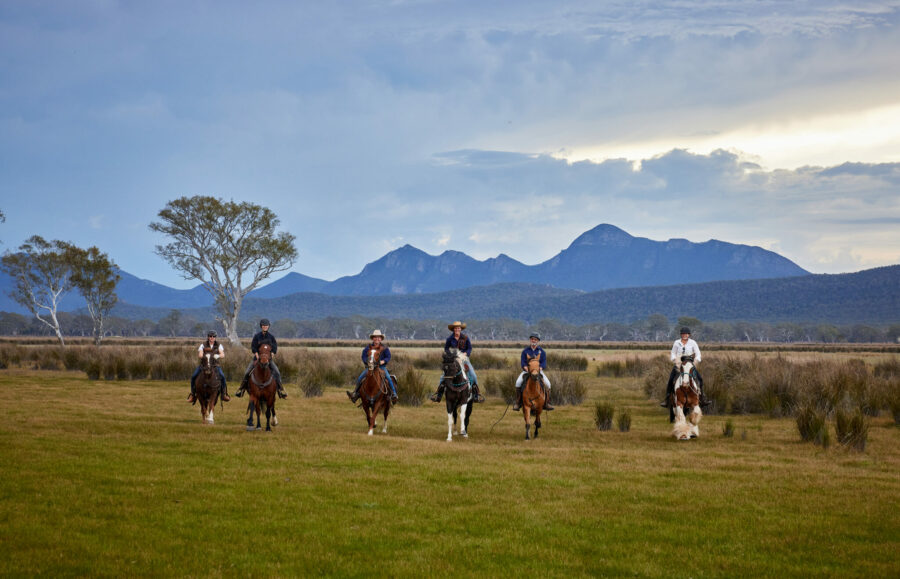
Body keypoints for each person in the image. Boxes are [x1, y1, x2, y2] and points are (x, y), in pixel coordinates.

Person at [429, 321, 484, 403]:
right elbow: (446, 349)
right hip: (453, 360)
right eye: (455, 328)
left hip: (464, 359)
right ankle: (438, 395)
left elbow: (469, 348)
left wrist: (466, 353)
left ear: (461, 329)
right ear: (453, 330)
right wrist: (450, 355)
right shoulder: (449, 339)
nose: (457, 329)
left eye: (458, 328)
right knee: (442, 377)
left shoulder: (465, 338)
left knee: (473, 375)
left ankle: (476, 396)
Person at [234, 318, 288, 399]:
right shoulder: (257, 336)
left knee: (277, 372)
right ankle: (241, 389)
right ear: (261, 326)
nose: (265, 327)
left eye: (266, 326)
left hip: (268, 360)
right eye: (263, 326)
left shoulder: (271, 337)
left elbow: (275, 347)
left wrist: (273, 353)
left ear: (268, 326)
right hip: (257, 359)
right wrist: (256, 354)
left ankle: (280, 390)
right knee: (247, 372)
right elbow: (253, 347)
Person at [659, 326, 709, 409]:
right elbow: (673, 353)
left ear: (689, 335)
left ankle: (702, 398)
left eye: (686, 334)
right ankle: (667, 399)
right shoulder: (676, 342)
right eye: (683, 334)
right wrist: (675, 360)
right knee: (671, 379)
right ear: (681, 335)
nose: (684, 335)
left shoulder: (693, 343)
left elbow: (698, 353)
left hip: (689, 364)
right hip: (679, 364)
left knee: (700, 379)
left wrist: (696, 361)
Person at [346, 330, 398, 404]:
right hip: (370, 367)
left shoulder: (384, 348)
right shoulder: (368, 348)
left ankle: (394, 394)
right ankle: (355, 394)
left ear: (381, 339)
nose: (377, 339)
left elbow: (388, 356)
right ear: (373, 338)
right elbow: (363, 356)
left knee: (389, 378)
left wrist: (383, 361)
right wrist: (366, 361)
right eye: (375, 337)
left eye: (378, 337)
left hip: (381, 367)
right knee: (360, 378)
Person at [513, 333, 554, 411]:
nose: (533, 340)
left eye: (535, 339)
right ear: (530, 340)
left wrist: (538, 369)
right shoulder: (525, 351)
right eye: (532, 339)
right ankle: (518, 402)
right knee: (518, 383)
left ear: (538, 341)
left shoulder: (542, 352)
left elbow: (543, 363)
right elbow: (523, 363)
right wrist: (527, 369)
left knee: (548, 384)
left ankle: (547, 403)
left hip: (538, 372)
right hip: (526, 371)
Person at [187, 330, 230, 403]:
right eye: (210, 336)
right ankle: (193, 395)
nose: (212, 338)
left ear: (215, 337)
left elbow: (223, 354)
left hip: (215, 366)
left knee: (222, 377)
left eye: (214, 336)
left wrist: (218, 355)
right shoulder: (203, 345)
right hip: (204, 365)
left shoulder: (219, 345)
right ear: (208, 337)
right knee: (193, 376)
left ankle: (223, 394)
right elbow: (200, 355)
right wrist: (206, 356)